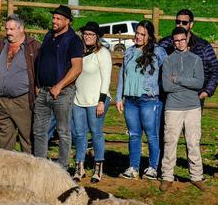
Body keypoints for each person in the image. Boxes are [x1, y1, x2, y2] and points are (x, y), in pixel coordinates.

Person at [115, 20, 167, 180]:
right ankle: (134, 167)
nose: (137, 36)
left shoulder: (158, 52)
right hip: (130, 100)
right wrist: (119, 97)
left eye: (142, 34)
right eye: (137, 33)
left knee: (152, 135)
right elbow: (122, 76)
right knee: (134, 134)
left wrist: (159, 93)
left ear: (149, 36)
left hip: (149, 100)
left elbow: (166, 73)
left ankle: (153, 167)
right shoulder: (129, 52)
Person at [33, 5, 83, 168]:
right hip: (43, 91)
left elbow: (77, 68)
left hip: (62, 92)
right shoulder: (49, 36)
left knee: (63, 131)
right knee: (39, 131)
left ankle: (63, 167)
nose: (54, 21)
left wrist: (59, 86)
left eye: (58, 18)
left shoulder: (73, 40)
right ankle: (40, 165)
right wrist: (37, 84)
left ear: (67, 21)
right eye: (53, 18)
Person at [160, 27, 206, 192]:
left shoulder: (196, 60)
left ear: (187, 39)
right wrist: (187, 84)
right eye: (176, 40)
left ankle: (196, 176)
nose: (179, 43)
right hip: (173, 107)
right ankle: (167, 176)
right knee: (170, 142)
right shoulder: (167, 60)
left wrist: (178, 79)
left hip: (192, 108)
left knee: (193, 142)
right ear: (173, 42)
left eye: (182, 39)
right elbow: (166, 86)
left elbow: (199, 83)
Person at [0, 14, 40, 153]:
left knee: (27, 138)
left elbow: (40, 70)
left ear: (22, 29)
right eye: (7, 29)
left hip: (22, 100)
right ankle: (7, 171)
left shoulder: (33, 47)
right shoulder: (2, 44)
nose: (8, 32)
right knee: (5, 140)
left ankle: (29, 171)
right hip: (2, 100)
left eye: (12, 29)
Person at [72, 22, 111, 183]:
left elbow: (106, 78)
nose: (87, 37)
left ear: (97, 37)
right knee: (80, 134)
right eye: (85, 34)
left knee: (96, 133)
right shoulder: (78, 52)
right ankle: (79, 166)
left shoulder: (102, 53)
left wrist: (101, 101)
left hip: (96, 99)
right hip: (79, 99)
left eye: (91, 34)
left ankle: (98, 166)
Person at [159, 9, 218, 102]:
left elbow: (215, 70)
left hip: (194, 98)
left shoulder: (203, 46)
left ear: (191, 24)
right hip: (169, 99)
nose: (180, 24)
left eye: (184, 22)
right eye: (178, 22)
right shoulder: (165, 44)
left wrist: (207, 91)